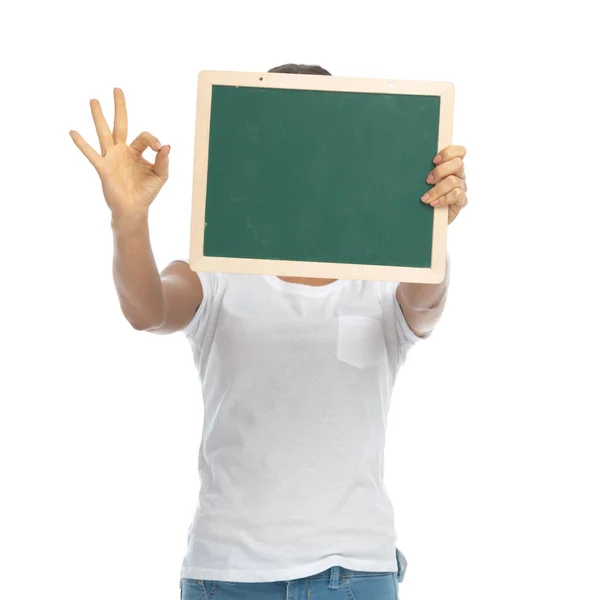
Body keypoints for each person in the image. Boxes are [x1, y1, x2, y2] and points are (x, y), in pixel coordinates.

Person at [69, 63, 468, 600]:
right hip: (226, 574)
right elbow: (147, 308)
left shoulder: (380, 282)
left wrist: (432, 228)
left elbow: (426, 307)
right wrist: (128, 218)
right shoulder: (216, 273)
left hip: (353, 572)